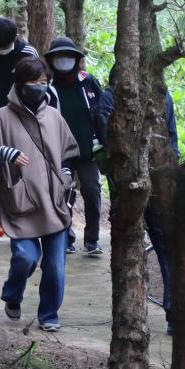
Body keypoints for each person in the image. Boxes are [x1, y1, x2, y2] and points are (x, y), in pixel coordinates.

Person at [0, 56, 80, 332]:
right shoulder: (2, 117)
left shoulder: (54, 117)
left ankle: (49, 314)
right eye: (34, 83)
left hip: (55, 205)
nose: (39, 87)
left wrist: (67, 176)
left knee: (55, 267)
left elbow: (69, 154)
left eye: (44, 83)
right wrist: (2, 153)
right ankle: (12, 293)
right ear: (20, 85)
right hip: (20, 203)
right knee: (25, 257)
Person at [97, 71, 178, 333]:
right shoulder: (109, 100)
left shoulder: (161, 98)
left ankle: (172, 312)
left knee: (162, 248)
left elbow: (171, 138)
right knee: (132, 247)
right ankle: (133, 314)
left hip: (152, 185)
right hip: (129, 186)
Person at [44, 36, 107, 257]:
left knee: (92, 190)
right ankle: (66, 237)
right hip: (60, 152)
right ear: (51, 60)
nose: (64, 61)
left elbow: (103, 113)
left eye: (68, 56)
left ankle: (92, 240)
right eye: (59, 57)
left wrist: (105, 143)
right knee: (63, 192)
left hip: (88, 150)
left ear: (76, 59)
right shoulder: (47, 88)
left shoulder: (89, 82)